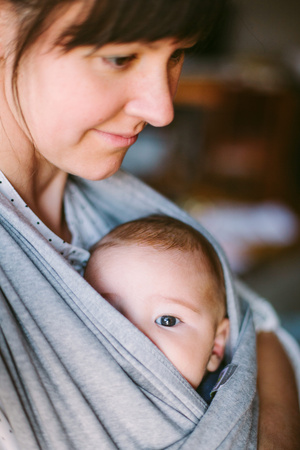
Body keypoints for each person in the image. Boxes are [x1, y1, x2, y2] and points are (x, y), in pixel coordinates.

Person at [0, 0, 299, 449]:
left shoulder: (111, 197)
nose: (162, 109)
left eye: (177, 54)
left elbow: (257, 325)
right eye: (120, 57)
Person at [84, 215, 230, 391]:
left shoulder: (229, 403)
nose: (134, 337)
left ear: (216, 346)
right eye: (110, 313)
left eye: (167, 320)